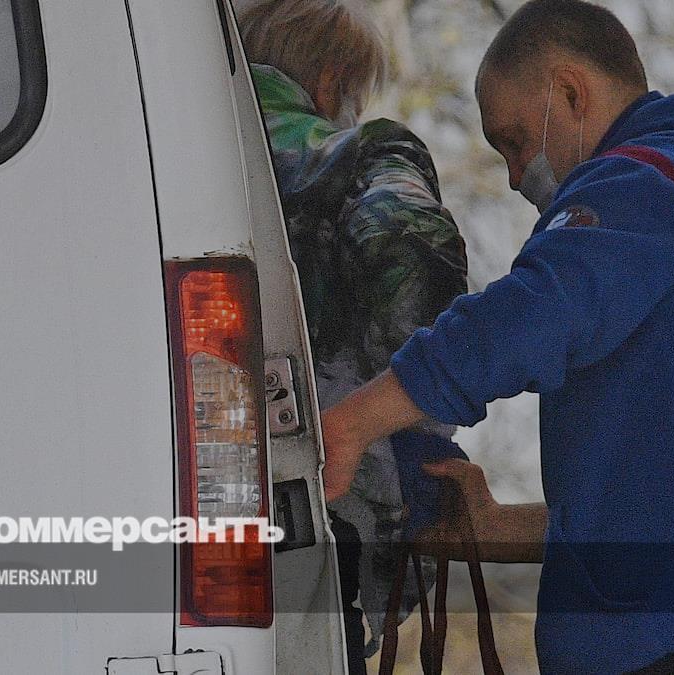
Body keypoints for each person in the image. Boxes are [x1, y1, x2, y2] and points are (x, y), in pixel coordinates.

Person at [319, 0, 674, 672]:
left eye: (515, 141)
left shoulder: (644, 183)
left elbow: (524, 318)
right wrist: (502, 527)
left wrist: (352, 422)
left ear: (571, 92)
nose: (515, 177)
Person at [237, 0, 471, 668]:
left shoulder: (159, 159)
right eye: (357, 93)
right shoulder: (362, 153)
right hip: (328, 500)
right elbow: (410, 258)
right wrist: (416, 410)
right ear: (332, 80)